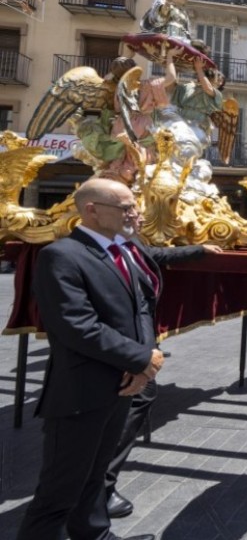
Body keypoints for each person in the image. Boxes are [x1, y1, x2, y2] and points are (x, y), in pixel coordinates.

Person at [17, 178, 161, 540]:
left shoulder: (121, 249)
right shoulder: (61, 256)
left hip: (122, 383)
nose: (133, 213)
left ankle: (95, 533)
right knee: (61, 488)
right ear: (91, 210)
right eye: (125, 207)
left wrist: (143, 362)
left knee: (96, 474)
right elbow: (75, 326)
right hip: (81, 392)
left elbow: (140, 307)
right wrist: (142, 358)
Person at [105, 210, 221, 519]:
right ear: (95, 210)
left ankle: (98, 485)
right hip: (122, 349)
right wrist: (136, 355)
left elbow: (157, 254)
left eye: (139, 210)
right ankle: (98, 487)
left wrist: (199, 249)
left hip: (140, 345)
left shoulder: (131, 243)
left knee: (137, 401)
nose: (140, 216)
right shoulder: (91, 250)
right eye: (130, 210)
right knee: (126, 405)